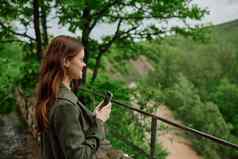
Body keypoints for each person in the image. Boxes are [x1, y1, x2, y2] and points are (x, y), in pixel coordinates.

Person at [34, 35, 112, 159]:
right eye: (81, 59)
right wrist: (99, 122)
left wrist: (91, 117)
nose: (84, 64)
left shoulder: (52, 94)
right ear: (66, 61)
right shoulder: (65, 105)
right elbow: (79, 156)